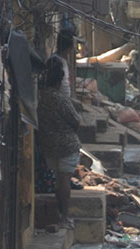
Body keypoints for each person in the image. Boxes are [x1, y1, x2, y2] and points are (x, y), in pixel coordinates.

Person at [37, 56, 81, 228]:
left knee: (58, 180)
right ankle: (64, 218)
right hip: (66, 145)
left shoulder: (40, 97)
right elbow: (75, 121)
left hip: (48, 145)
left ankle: (60, 216)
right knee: (64, 181)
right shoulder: (60, 98)